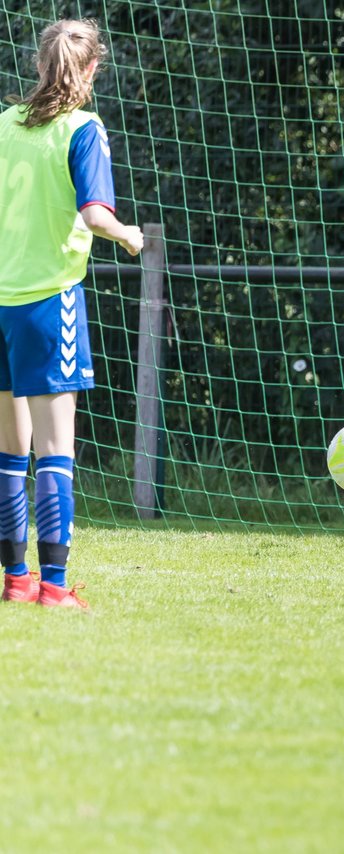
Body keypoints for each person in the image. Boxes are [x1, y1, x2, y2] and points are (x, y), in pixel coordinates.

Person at [0, 19, 143, 609]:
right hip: (47, 301)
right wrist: (131, 235)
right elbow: (94, 216)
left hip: (1, 302)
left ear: (38, 65)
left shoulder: (4, 124)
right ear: (90, 71)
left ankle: (14, 581)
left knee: (10, 450)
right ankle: (54, 589)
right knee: (54, 450)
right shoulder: (85, 129)